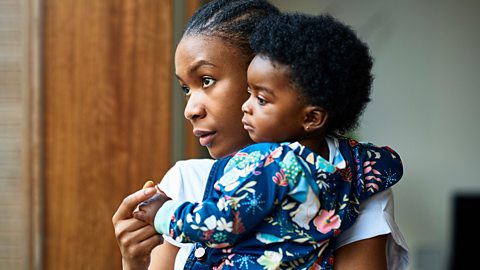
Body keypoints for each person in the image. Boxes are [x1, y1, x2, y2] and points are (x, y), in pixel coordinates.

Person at [111, 1, 409, 269]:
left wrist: (166, 216)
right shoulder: (183, 182)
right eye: (186, 89)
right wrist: (134, 262)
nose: (190, 109)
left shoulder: (355, 186)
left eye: (207, 80)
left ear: (265, 71)